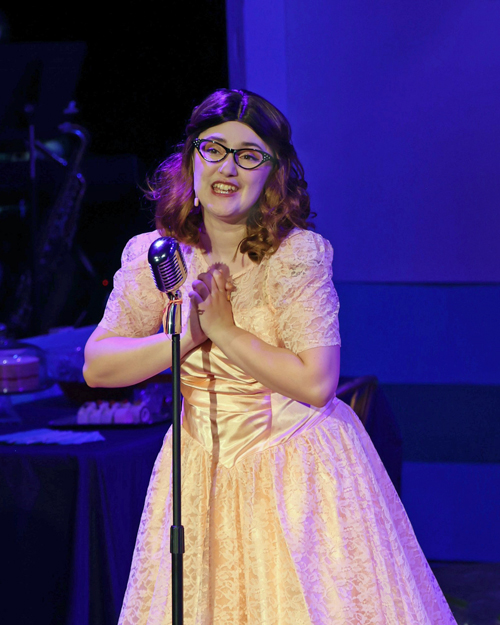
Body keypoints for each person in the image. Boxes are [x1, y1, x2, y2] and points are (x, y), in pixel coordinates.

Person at [83, 89, 456, 624]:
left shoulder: (295, 255)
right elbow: (98, 366)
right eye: (214, 149)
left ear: (272, 174)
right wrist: (187, 335)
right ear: (190, 160)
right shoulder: (156, 255)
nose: (228, 167)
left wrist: (226, 331)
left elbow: (317, 383)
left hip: (295, 467)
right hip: (199, 469)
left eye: (248, 155)